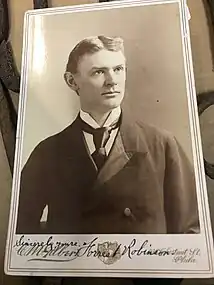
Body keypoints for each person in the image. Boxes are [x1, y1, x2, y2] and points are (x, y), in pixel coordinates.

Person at [16, 35, 200, 234]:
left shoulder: (162, 145)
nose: (112, 81)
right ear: (72, 81)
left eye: (118, 69)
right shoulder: (47, 153)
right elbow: (20, 235)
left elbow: (190, 231)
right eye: (98, 72)